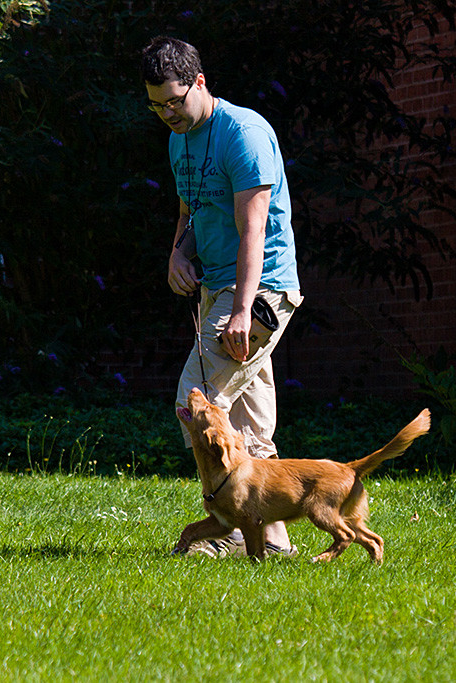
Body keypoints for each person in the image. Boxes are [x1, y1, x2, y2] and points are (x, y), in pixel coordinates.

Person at [141, 35, 303, 558]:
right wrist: (177, 254)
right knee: (250, 420)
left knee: (196, 401)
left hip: (260, 291)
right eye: (156, 104)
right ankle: (270, 536)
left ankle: (227, 528)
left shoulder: (244, 134)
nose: (168, 112)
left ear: (199, 82)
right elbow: (190, 212)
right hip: (215, 285)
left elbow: (253, 229)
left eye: (175, 100)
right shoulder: (179, 138)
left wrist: (239, 311)